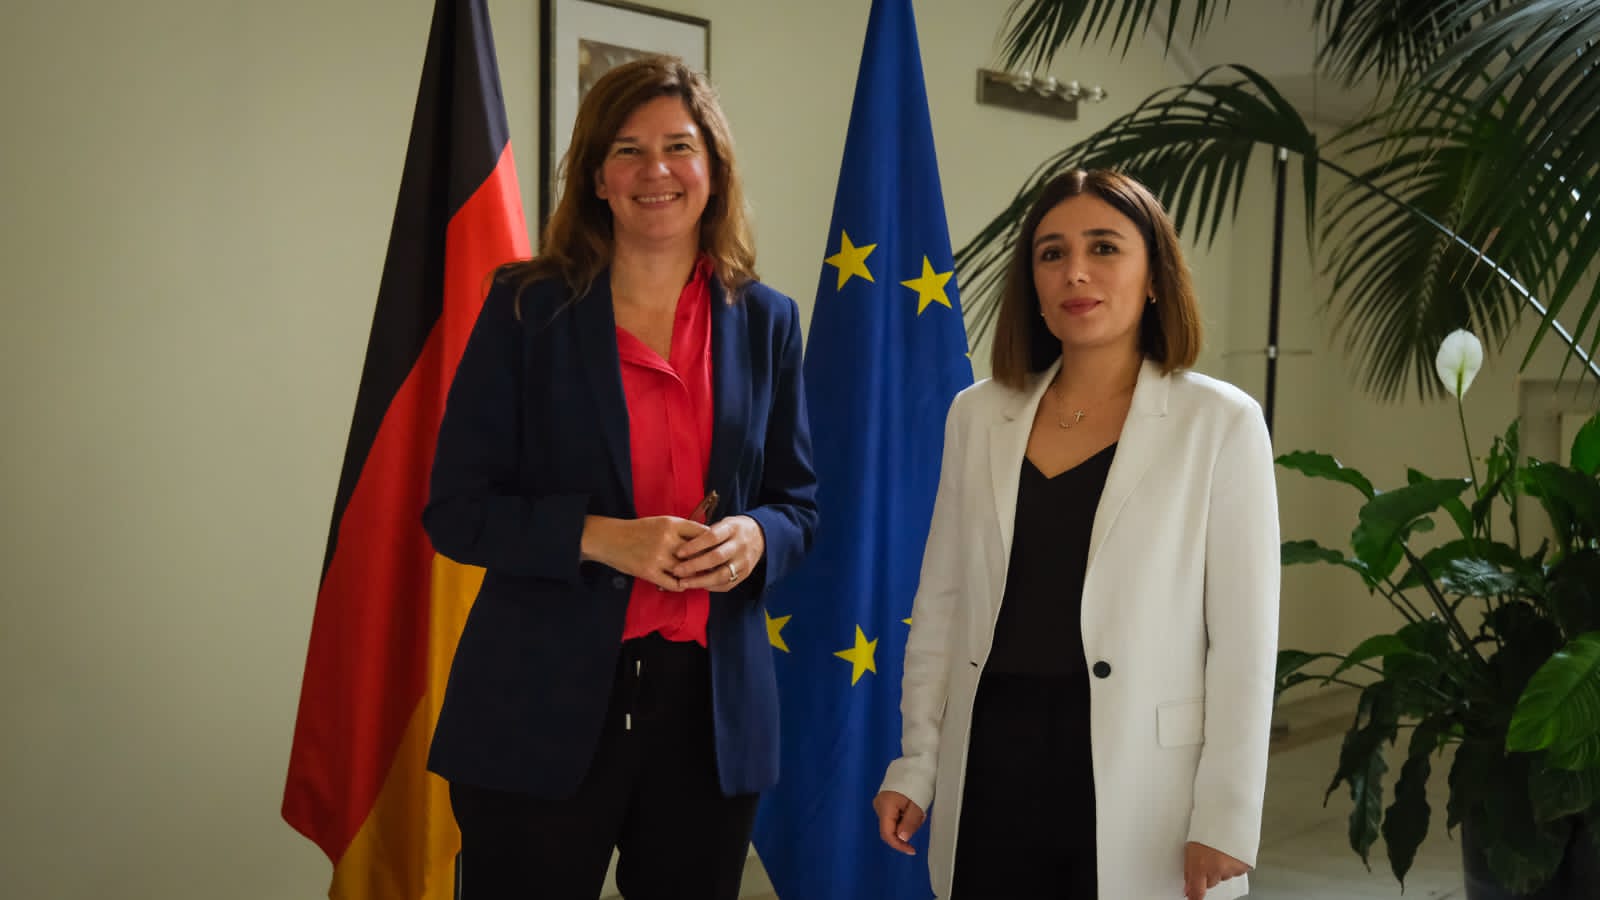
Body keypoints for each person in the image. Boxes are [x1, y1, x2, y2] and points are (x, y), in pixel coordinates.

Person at [423, 56, 818, 900]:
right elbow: (455, 510)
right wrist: (603, 539)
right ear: (597, 177)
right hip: (537, 707)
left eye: (679, 147)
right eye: (628, 150)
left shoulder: (768, 321)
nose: (655, 171)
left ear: (714, 170)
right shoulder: (526, 308)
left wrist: (755, 537)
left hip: (710, 718)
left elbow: (799, 506)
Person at [873, 169, 1279, 900]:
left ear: (1154, 276)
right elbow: (941, 605)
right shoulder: (977, 415)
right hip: (992, 761)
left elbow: (1245, 644)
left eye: (1105, 248)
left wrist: (1227, 813)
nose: (1076, 272)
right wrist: (917, 763)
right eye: (1052, 253)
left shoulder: (1219, 423)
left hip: (1142, 780)